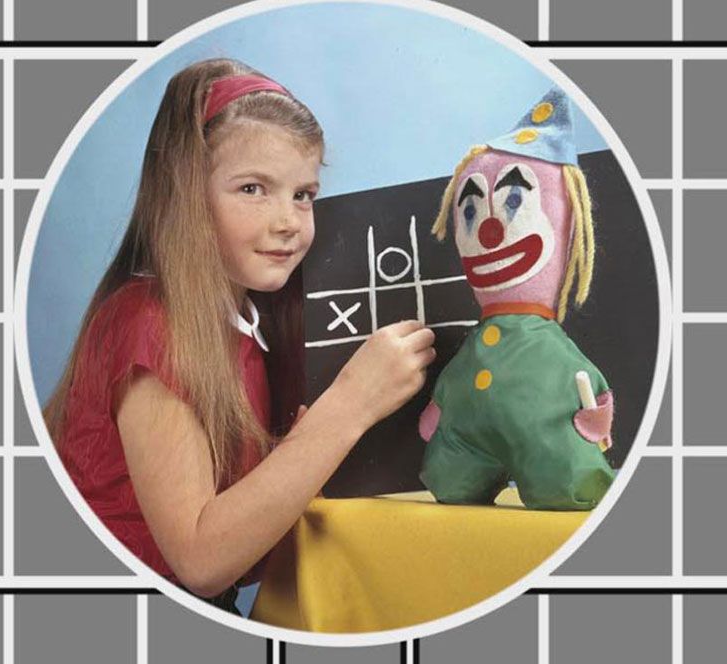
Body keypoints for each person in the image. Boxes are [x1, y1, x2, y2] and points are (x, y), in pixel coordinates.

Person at [42, 58, 436, 615]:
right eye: (253, 188)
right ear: (185, 197)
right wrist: (350, 405)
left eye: (304, 194)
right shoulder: (148, 323)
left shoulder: (251, 321)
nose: (289, 221)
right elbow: (201, 561)